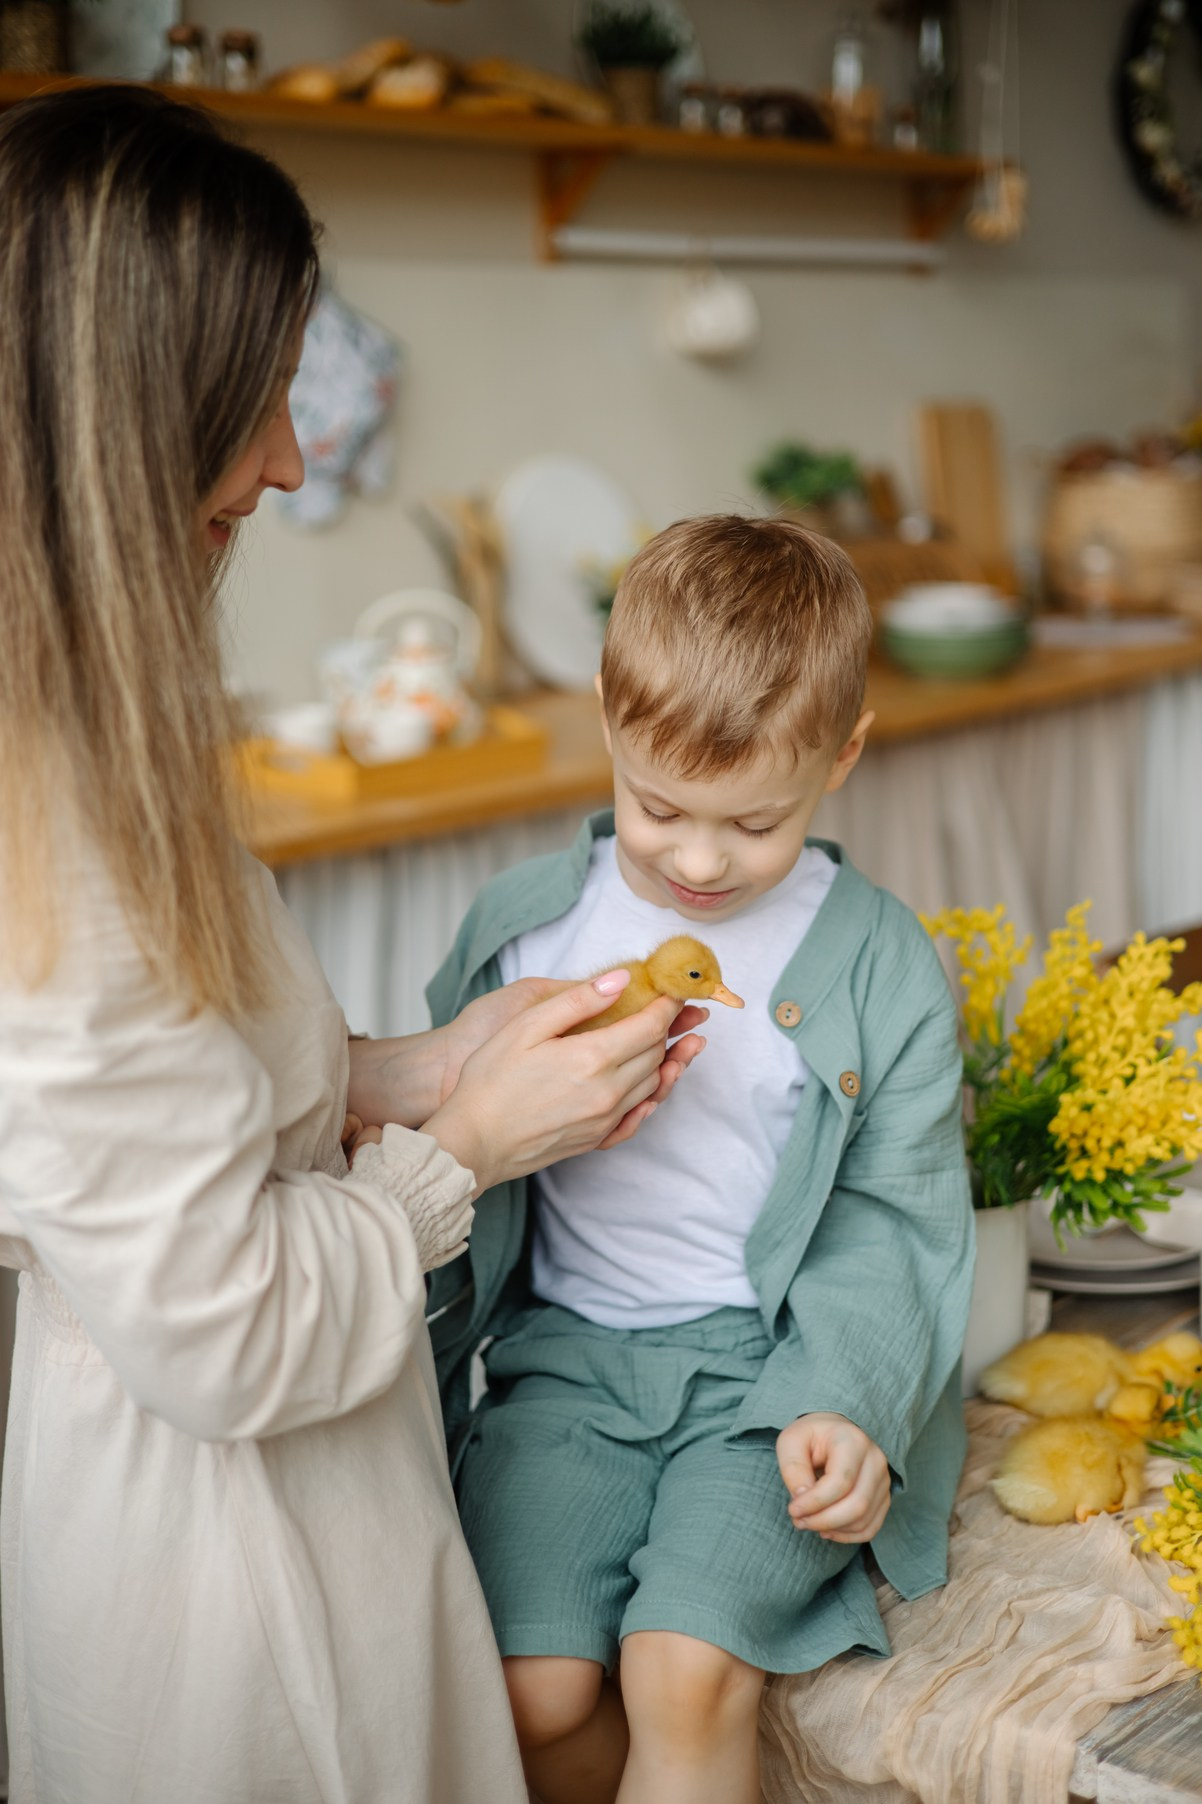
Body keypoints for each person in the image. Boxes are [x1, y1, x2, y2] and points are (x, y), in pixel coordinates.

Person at [0, 88, 704, 1804]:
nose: (291, 462)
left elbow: (179, 1111)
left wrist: (406, 1070)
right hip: (227, 1568)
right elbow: (229, 1328)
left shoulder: (81, 739)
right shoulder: (58, 847)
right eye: (261, 399)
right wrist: (468, 1149)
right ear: (125, 417)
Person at [427, 514, 977, 1804]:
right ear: (607, 721)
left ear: (843, 756)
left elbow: (894, 1215)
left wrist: (846, 1399)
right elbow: (441, 1170)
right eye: (657, 806)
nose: (696, 860)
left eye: (754, 822)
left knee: (682, 1669)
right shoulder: (522, 932)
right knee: (528, 1692)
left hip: (768, 1378)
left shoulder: (877, 959)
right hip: (564, 1370)